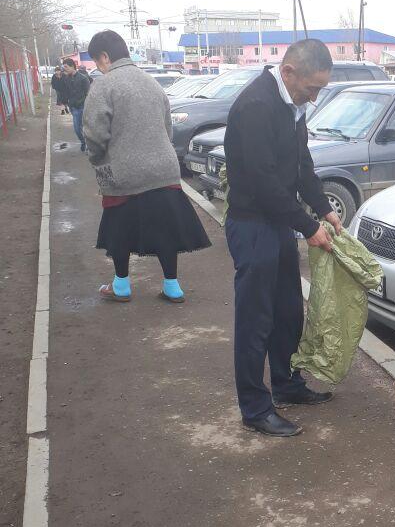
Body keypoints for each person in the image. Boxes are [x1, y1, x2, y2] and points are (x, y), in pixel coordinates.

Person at [223, 38, 341, 439]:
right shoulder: (255, 106)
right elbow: (264, 181)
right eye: (313, 88)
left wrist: (323, 208)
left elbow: (301, 164)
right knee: (256, 320)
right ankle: (255, 408)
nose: (315, 96)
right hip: (252, 224)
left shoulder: (294, 106)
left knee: (288, 311)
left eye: (320, 89)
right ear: (288, 72)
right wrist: (308, 227)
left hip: (277, 223)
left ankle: (288, 384)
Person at [83, 30, 211, 303]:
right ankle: (172, 287)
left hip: (124, 173)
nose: (98, 67)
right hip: (164, 171)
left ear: (104, 57)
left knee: (119, 228)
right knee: (164, 228)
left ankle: (121, 287)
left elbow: (95, 135)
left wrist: (96, 159)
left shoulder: (104, 86)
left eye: (97, 61)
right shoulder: (152, 83)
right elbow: (167, 128)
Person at [61, 57, 90, 150]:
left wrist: (82, 102)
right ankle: (83, 142)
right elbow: (65, 91)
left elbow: (88, 94)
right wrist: (65, 103)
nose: (64, 69)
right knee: (78, 128)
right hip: (73, 107)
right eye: (63, 67)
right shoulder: (66, 78)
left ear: (72, 66)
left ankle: (88, 145)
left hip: (83, 107)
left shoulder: (83, 78)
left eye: (66, 67)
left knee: (83, 128)